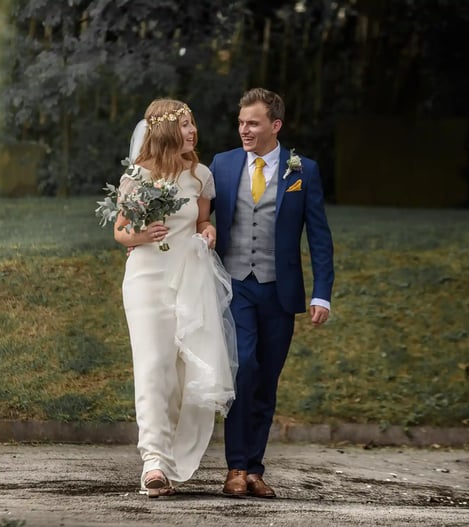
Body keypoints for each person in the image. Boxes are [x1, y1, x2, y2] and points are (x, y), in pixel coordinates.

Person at [209, 88, 334, 498]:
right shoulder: (223, 164)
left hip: (280, 291)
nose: (244, 130)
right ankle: (235, 466)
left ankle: (254, 469)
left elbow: (319, 236)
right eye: (241, 123)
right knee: (244, 367)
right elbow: (199, 216)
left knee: (267, 380)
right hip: (235, 286)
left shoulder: (303, 170)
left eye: (253, 123)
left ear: (275, 125)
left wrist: (321, 293)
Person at [115, 99, 238, 498]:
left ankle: (171, 460)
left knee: (183, 374)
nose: (192, 131)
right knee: (154, 366)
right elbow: (120, 231)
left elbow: (201, 219)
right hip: (146, 280)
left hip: (189, 280)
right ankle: (152, 462)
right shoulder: (138, 176)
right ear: (166, 130)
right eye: (184, 124)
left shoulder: (200, 175)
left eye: (192, 123)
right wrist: (141, 235)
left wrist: (208, 231)